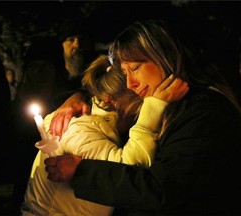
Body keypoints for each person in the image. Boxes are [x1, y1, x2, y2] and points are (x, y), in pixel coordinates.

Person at [45, 20, 241, 215]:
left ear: (164, 57)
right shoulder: (171, 106)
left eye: (136, 68)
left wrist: (83, 171)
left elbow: (161, 188)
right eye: (124, 72)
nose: (130, 84)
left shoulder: (205, 113)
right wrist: (77, 97)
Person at [21, 54, 188, 216]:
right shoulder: (82, 132)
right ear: (110, 100)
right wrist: (153, 109)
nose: (138, 115)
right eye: (138, 106)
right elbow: (128, 171)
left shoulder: (93, 123)